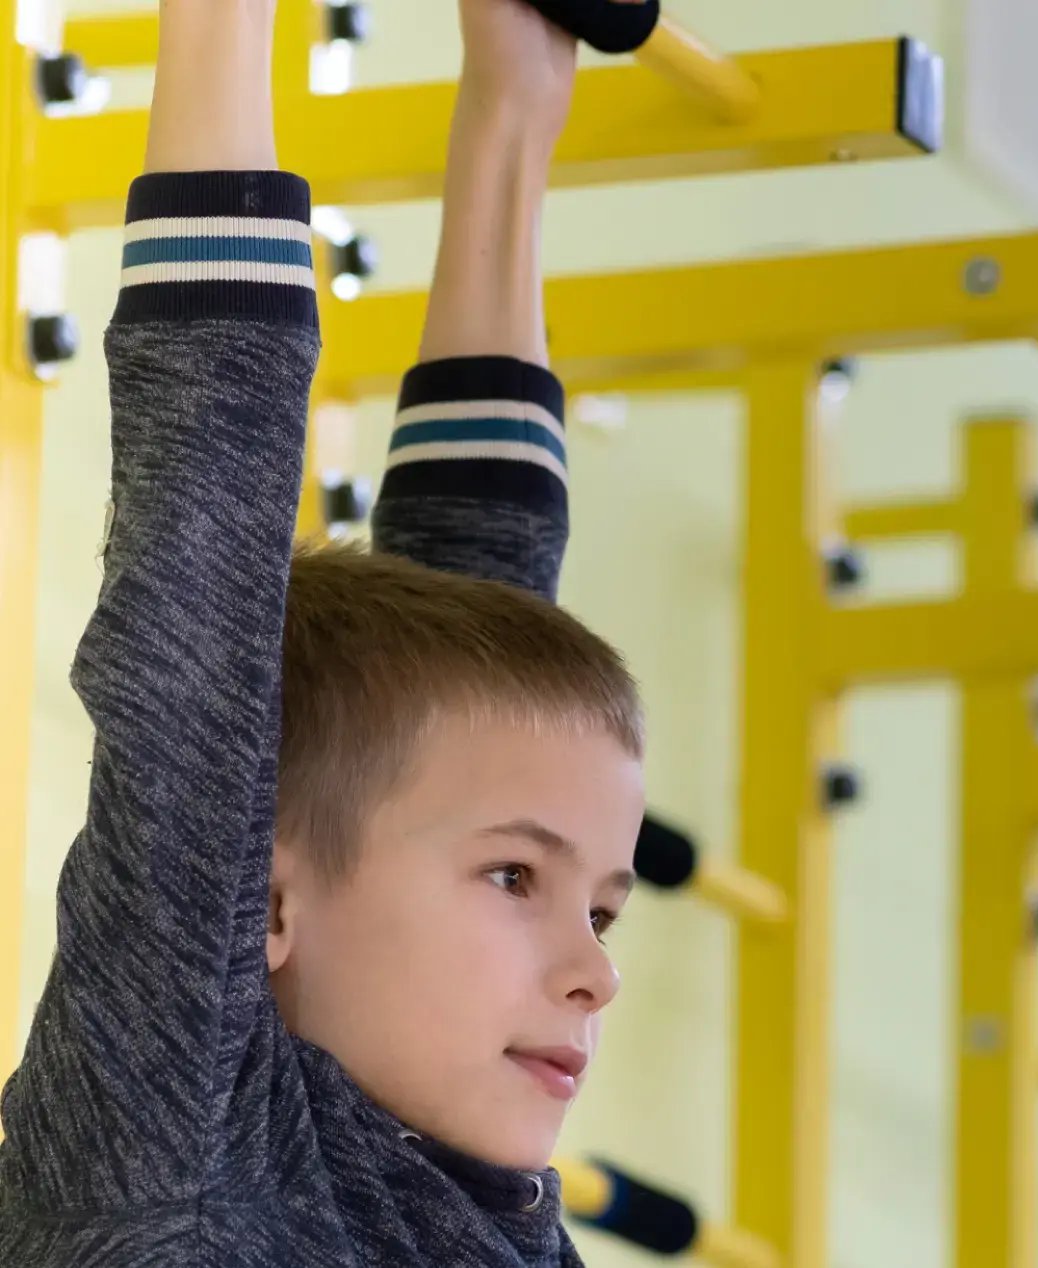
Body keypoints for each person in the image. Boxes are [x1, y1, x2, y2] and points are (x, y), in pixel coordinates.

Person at [0, 1, 648, 1263]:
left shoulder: (478, 1213)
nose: (594, 974)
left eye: (602, 908)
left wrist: (512, 100)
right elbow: (199, 568)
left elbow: (482, 654)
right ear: (261, 904)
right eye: (519, 877)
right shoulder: (177, 1153)